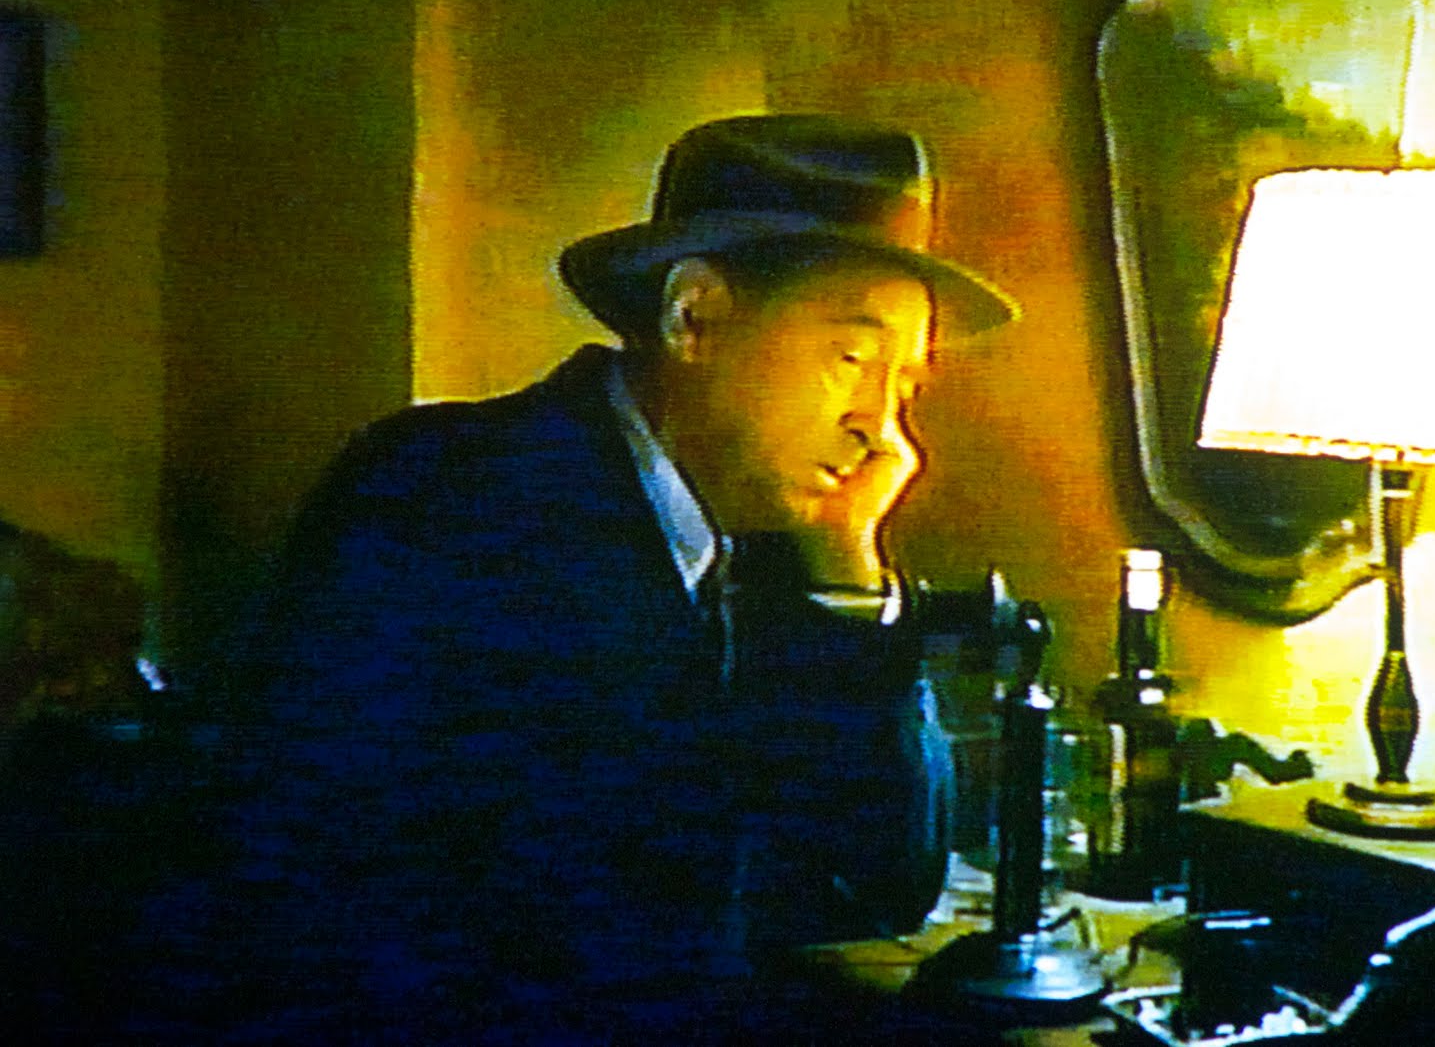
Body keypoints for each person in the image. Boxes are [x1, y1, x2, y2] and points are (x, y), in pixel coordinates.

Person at [131, 114, 1019, 1043]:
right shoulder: (443, 493)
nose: (883, 429)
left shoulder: (776, 550)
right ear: (694, 318)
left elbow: (879, 886)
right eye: (853, 359)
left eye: (907, 385)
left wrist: (850, 571)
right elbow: (348, 907)